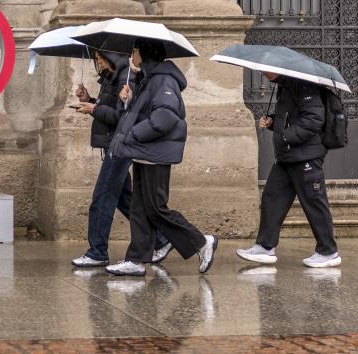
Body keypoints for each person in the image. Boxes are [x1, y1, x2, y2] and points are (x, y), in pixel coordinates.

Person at [105, 40, 218, 276]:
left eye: (133, 51)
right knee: (139, 208)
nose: (131, 56)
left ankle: (201, 241)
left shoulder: (163, 80)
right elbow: (140, 114)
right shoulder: (147, 80)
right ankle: (136, 260)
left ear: (144, 54)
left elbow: (164, 118)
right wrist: (127, 100)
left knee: (156, 208)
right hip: (144, 153)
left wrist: (133, 136)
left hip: (154, 153)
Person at [71, 50, 173, 268]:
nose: (97, 62)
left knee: (102, 197)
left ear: (111, 57)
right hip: (114, 143)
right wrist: (89, 100)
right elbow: (110, 107)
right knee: (124, 198)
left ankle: (97, 251)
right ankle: (162, 239)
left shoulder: (126, 77)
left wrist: (94, 109)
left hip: (120, 145)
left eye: (99, 58)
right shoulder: (111, 78)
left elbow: (123, 116)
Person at [236, 72, 341, 268]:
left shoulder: (304, 86)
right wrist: (273, 122)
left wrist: (285, 136)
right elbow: (292, 118)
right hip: (288, 157)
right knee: (272, 198)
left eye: (266, 71)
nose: (263, 74)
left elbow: (314, 119)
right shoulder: (286, 87)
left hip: (305, 156)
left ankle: (328, 251)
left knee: (314, 203)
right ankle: (265, 247)